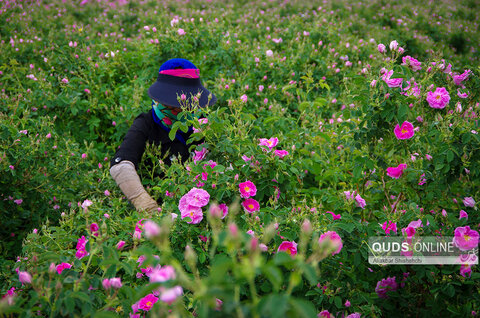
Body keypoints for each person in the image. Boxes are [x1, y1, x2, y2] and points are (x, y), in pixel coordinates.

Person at [109, 58, 217, 213]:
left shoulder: (203, 123)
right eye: (173, 102)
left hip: (200, 209)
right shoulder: (146, 123)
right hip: (160, 207)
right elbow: (120, 166)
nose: (179, 108)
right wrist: (146, 204)